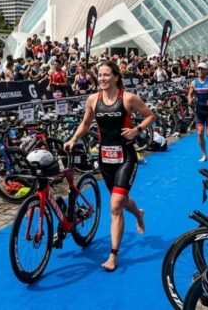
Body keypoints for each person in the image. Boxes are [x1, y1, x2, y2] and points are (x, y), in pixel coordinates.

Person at [63, 61, 154, 272]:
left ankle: (113, 255)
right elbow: (86, 123)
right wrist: (73, 138)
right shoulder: (93, 100)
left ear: (116, 77)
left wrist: (137, 129)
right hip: (105, 158)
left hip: (126, 157)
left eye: (106, 75)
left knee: (115, 205)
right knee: (119, 200)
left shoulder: (128, 98)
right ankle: (138, 213)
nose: (102, 78)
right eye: (100, 75)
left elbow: (150, 115)